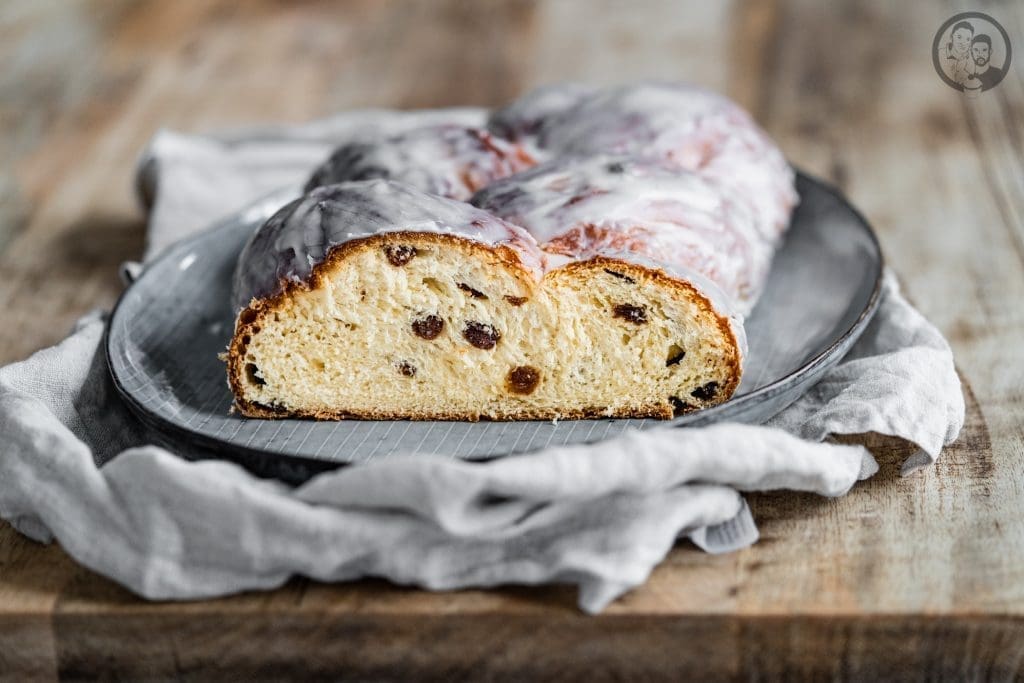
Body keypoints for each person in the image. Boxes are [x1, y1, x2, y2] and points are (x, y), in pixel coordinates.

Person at [939, 20, 976, 86]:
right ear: (951, 37)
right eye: (959, 37)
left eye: (968, 39)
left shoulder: (971, 61)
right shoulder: (940, 54)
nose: (963, 43)